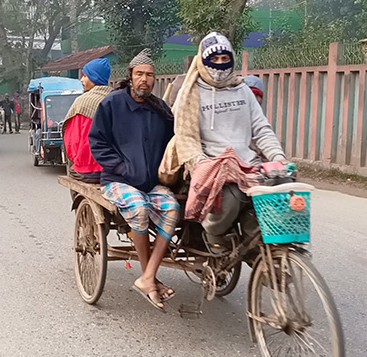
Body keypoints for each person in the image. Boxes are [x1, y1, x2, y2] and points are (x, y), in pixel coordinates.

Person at [160, 32, 286, 255]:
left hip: (246, 163)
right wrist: (201, 163)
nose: (219, 64)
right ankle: (214, 235)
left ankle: (261, 255)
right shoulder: (191, 93)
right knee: (232, 198)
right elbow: (185, 137)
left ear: (232, 58)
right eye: (214, 59)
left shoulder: (243, 90)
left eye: (224, 58)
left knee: (277, 196)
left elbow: (261, 129)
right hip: (209, 162)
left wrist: (278, 157)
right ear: (203, 59)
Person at [89, 49, 179, 311]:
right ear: (130, 76)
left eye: (150, 75)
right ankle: (148, 276)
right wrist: (122, 167)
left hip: (151, 182)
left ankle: (147, 276)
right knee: (139, 209)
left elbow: (173, 143)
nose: (145, 79)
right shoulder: (112, 104)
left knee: (172, 209)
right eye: (139, 74)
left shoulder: (160, 109)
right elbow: (97, 141)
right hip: (118, 180)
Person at [63, 58, 112, 183]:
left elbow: (71, 142)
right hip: (112, 169)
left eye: (85, 76)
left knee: (71, 169)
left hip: (86, 170)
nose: (82, 80)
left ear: (95, 77)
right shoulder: (117, 99)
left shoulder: (82, 102)